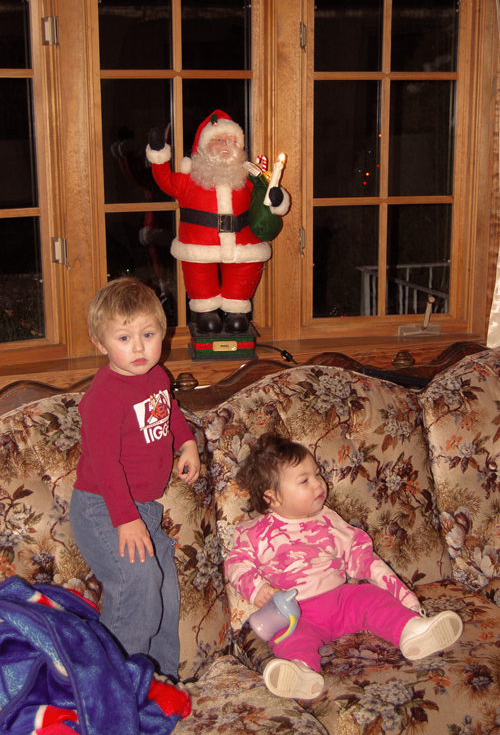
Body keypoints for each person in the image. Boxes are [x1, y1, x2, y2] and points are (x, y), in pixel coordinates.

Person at [225, 434, 463, 701]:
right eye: (305, 480)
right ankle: (301, 672)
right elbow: (236, 564)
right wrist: (257, 588)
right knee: (289, 638)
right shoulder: (255, 533)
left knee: (370, 597)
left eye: (317, 474)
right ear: (273, 498)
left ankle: (412, 631)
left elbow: (358, 554)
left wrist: (404, 597)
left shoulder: (329, 519)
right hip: (297, 615)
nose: (318, 484)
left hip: (341, 599)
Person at [70, 277, 200, 680]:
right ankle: (112, 682)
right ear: (101, 343)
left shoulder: (158, 376)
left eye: (148, 334)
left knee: (165, 592)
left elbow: (170, 411)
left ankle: (159, 679)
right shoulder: (104, 397)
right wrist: (125, 519)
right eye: (124, 338)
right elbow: (106, 465)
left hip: (143, 507)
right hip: (102, 507)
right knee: (138, 581)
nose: (139, 348)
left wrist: (188, 443)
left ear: (163, 333)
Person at [146, 109, 290, 335]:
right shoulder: (189, 179)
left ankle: (236, 312)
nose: (225, 145)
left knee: (242, 283)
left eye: (232, 141)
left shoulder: (249, 177)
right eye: (218, 140)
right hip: (198, 246)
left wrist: (276, 198)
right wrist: (157, 152)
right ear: (203, 146)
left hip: (244, 246)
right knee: (200, 283)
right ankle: (206, 313)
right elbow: (164, 180)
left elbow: (268, 198)